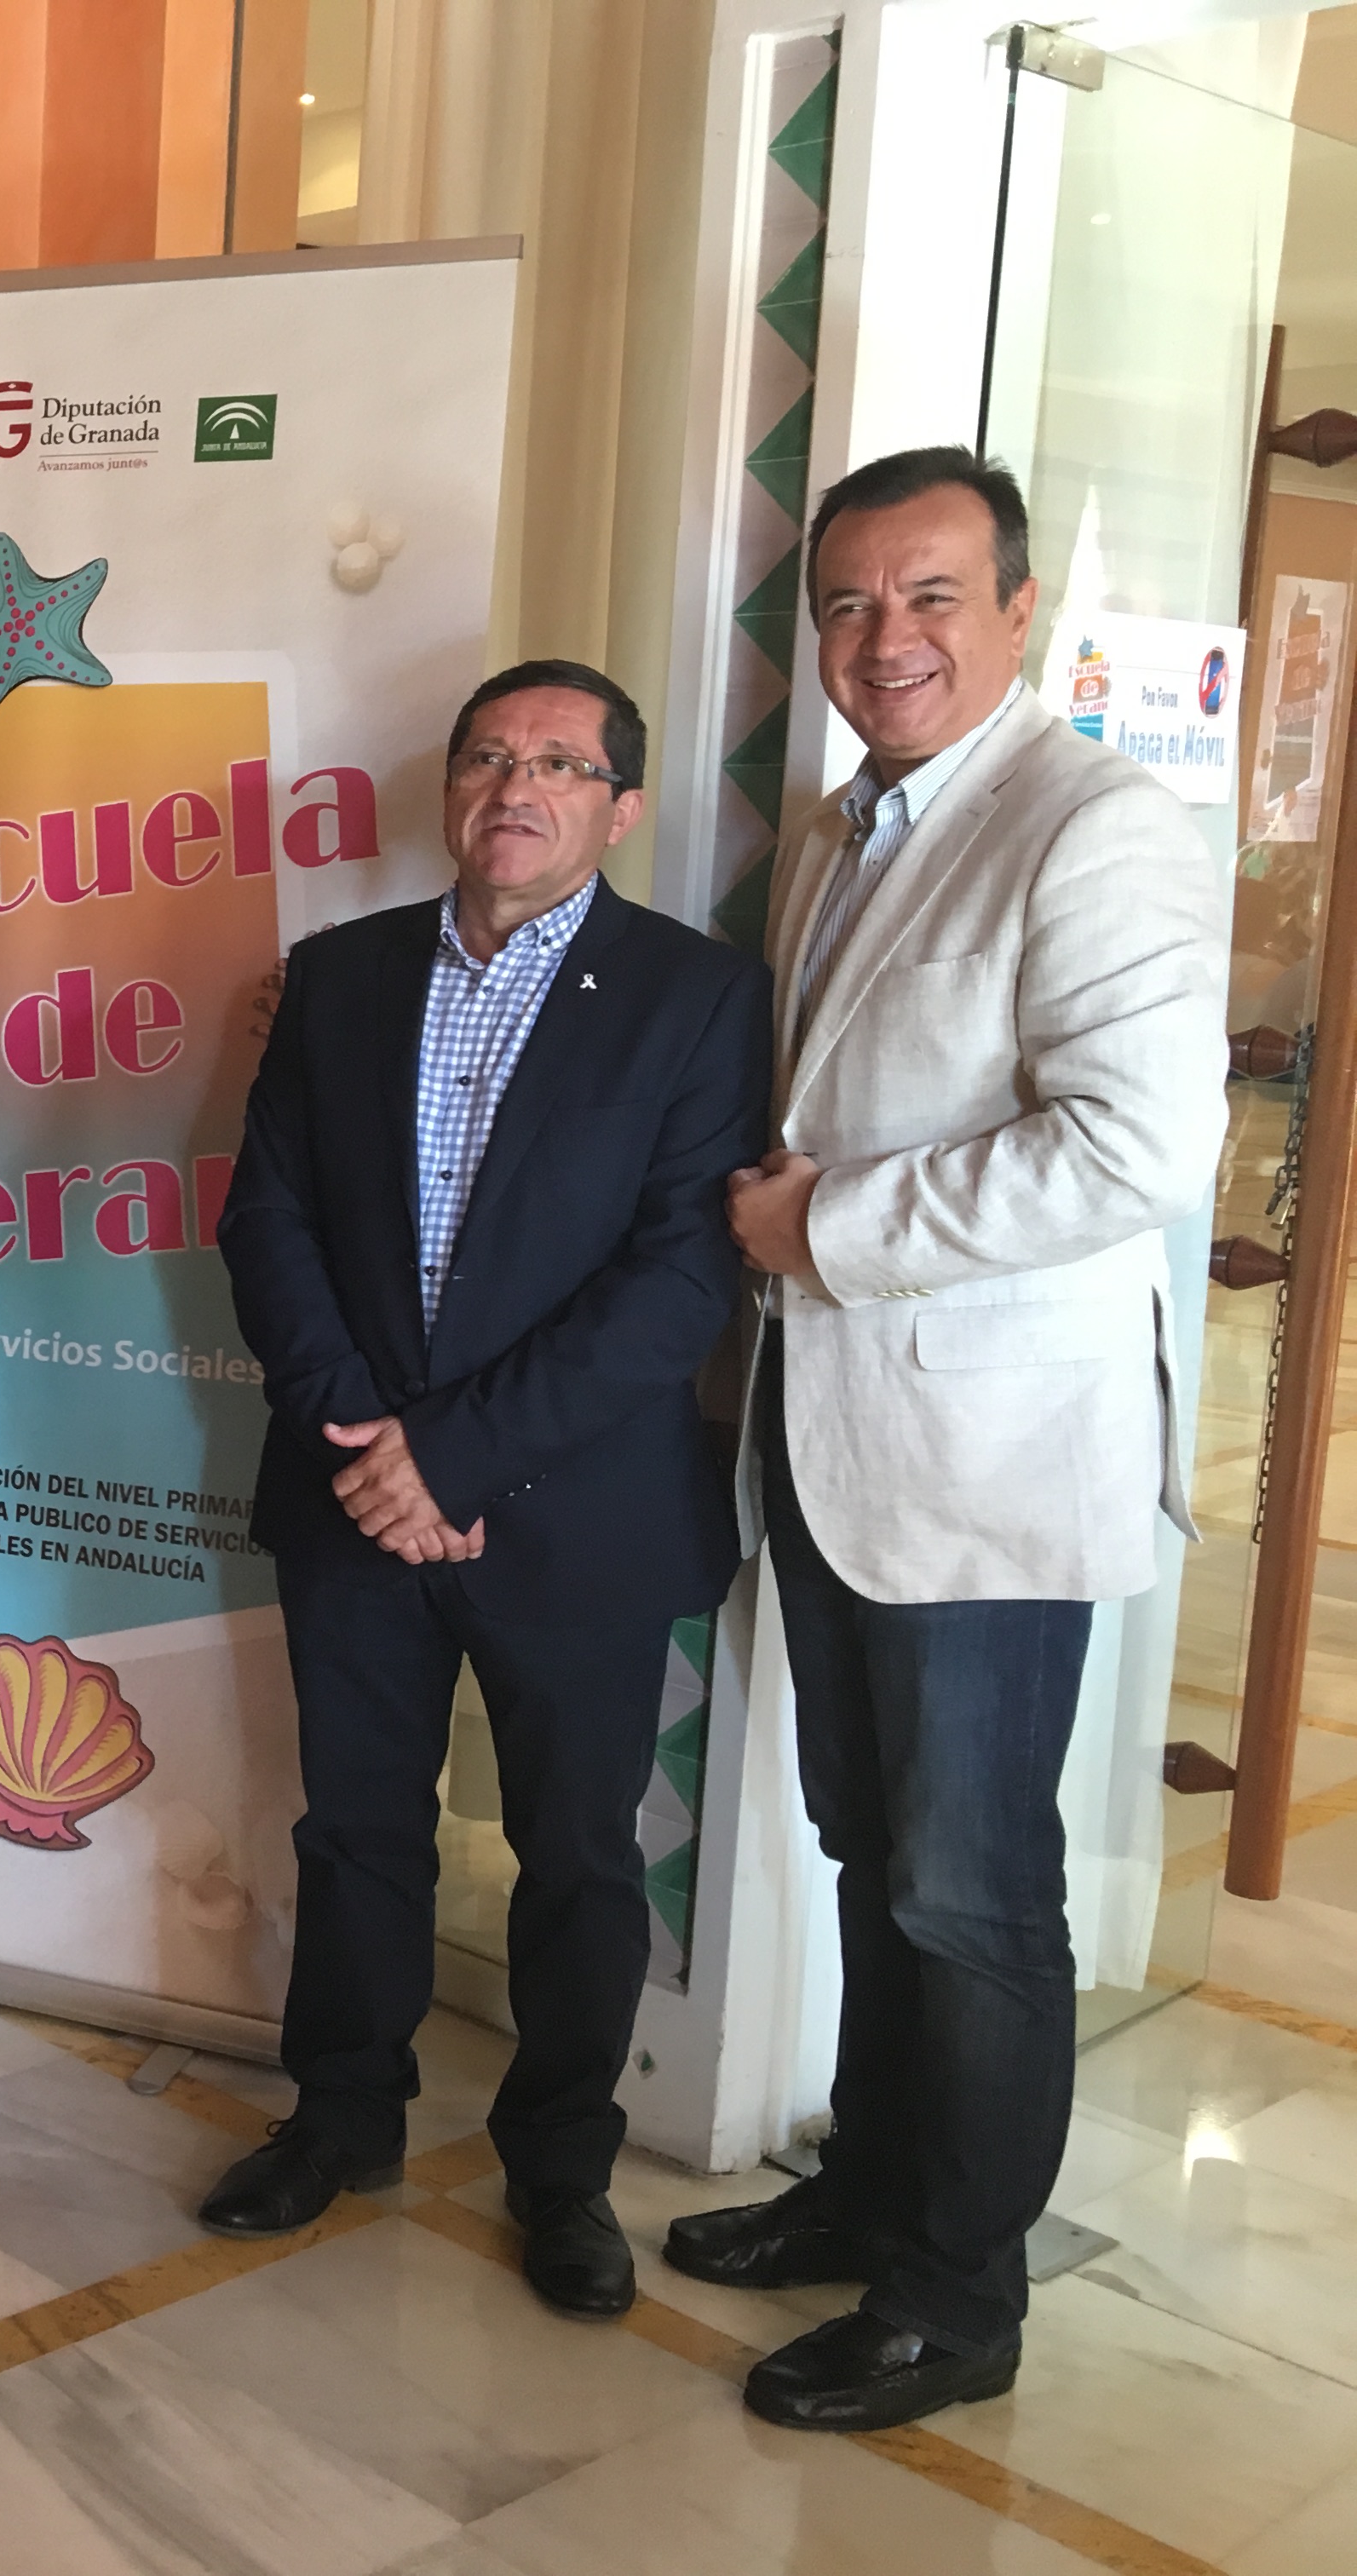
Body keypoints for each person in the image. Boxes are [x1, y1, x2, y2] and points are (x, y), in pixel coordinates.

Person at [675, 448, 1228, 2430]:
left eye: (928, 597)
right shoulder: (840, 829)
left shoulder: (1095, 824)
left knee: (970, 1890)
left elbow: (1137, 1147)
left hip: (989, 1469)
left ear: (1015, 615)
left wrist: (825, 1228)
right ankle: (870, 2193)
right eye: (847, 604)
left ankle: (956, 2298)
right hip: (831, 1444)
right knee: (866, 1849)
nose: (883, 637)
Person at [204, 661, 770, 2313]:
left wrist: (446, 1456)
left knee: (579, 1858)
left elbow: (679, 1282)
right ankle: (341, 2113)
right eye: (489, 757)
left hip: (576, 1511)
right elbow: (268, 1220)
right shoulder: (341, 974)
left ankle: (563, 2170)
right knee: (355, 1827)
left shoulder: (694, 998)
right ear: (451, 787)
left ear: (621, 807)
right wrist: (363, 1438)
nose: (518, 787)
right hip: (351, 1493)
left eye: (562, 764)